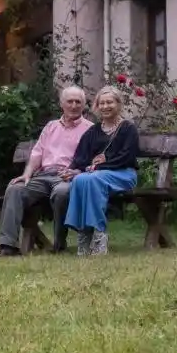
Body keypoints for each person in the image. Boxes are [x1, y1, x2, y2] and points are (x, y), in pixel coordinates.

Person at [0, 85, 93, 257]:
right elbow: (37, 153)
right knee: (14, 189)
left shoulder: (90, 129)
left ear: (84, 105)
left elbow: (91, 160)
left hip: (67, 177)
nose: (74, 105)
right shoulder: (51, 126)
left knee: (62, 193)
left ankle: (59, 244)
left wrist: (76, 173)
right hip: (42, 176)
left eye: (78, 102)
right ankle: (8, 246)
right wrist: (27, 174)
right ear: (62, 104)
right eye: (70, 101)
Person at [62, 85, 138, 256]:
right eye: (101, 103)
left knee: (92, 179)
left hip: (124, 174)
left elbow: (126, 157)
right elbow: (81, 157)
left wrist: (98, 167)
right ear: (97, 106)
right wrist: (74, 170)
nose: (105, 106)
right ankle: (84, 234)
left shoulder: (128, 128)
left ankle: (99, 235)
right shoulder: (93, 131)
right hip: (97, 174)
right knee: (79, 180)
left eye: (109, 102)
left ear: (118, 104)